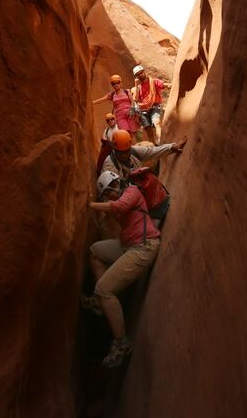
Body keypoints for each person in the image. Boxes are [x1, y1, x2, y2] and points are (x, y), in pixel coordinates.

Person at [86, 170, 161, 368]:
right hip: (129, 244)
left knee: (104, 289)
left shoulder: (132, 190)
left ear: (115, 184)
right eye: (107, 194)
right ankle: (100, 302)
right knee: (95, 251)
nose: (110, 195)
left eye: (110, 191)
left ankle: (121, 343)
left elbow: (119, 207)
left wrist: (91, 205)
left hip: (144, 247)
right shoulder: (122, 193)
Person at [101, 129, 187, 182]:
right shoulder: (109, 166)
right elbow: (109, 193)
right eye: (121, 153)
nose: (125, 155)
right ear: (114, 150)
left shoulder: (133, 151)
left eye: (127, 151)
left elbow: (153, 151)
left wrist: (172, 147)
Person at [93, 74, 139, 140]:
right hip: (120, 116)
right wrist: (91, 103)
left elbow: (132, 101)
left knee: (133, 132)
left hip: (130, 114)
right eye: (114, 83)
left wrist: (132, 109)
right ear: (112, 85)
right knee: (125, 132)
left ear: (121, 83)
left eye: (118, 82)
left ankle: (132, 146)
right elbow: (101, 99)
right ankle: (129, 147)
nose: (116, 84)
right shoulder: (112, 95)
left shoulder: (126, 91)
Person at [132, 65, 170, 144]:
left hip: (154, 106)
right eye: (138, 74)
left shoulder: (153, 81)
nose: (140, 75)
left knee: (156, 122)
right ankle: (154, 147)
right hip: (143, 110)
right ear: (136, 76)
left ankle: (160, 141)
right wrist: (136, 85)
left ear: (144, 72)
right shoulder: (138, 87)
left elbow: (163, 85)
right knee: (148, 130)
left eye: (141, 72)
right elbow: (135, 99)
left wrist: (170, 85)